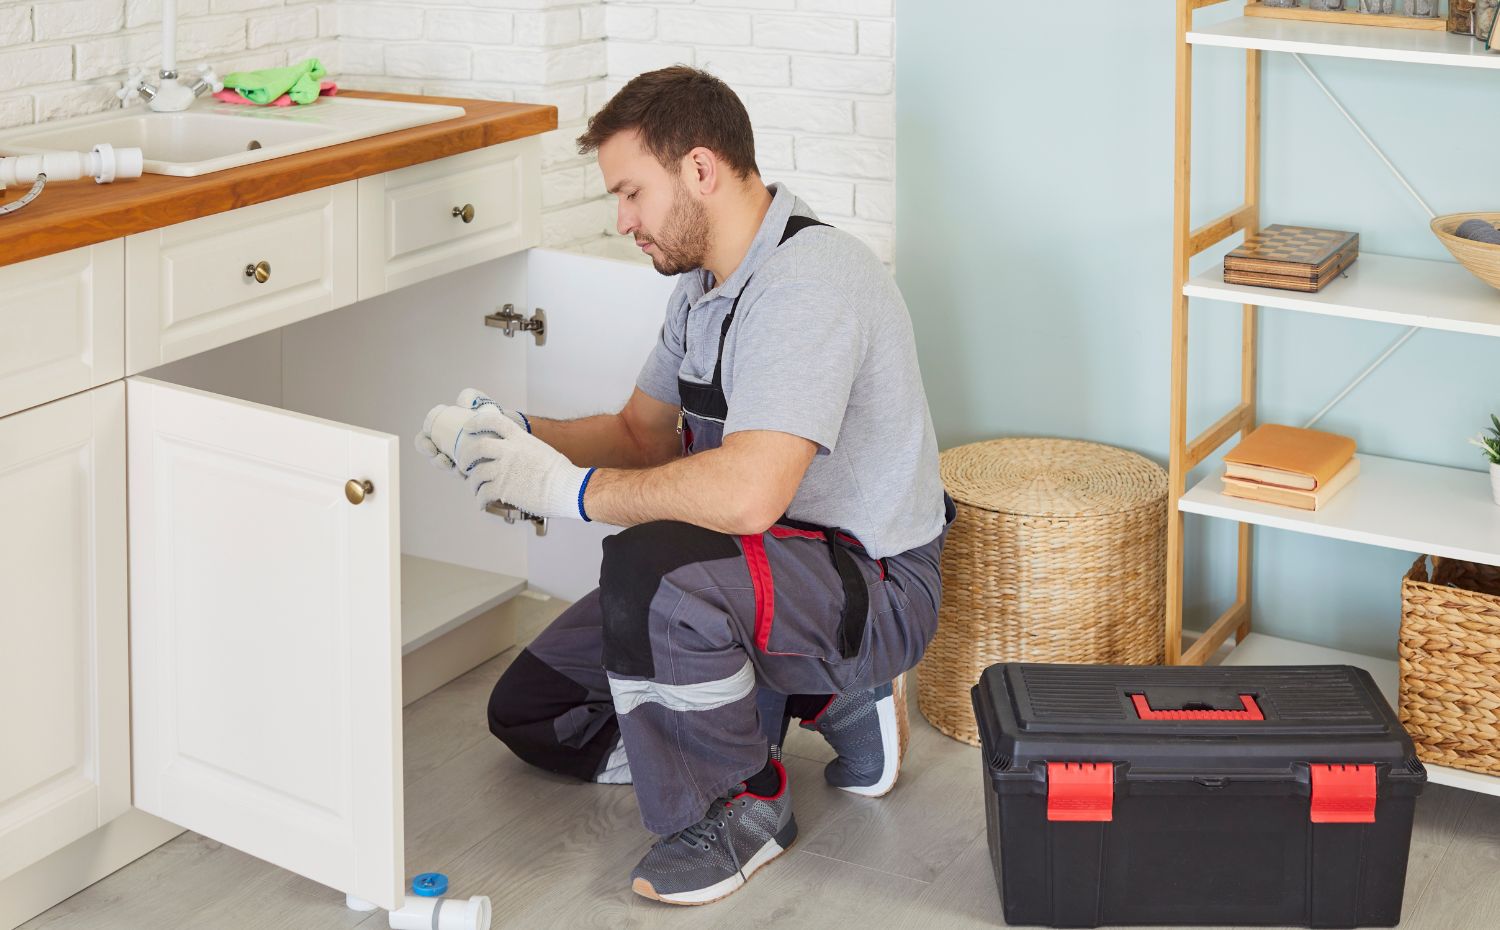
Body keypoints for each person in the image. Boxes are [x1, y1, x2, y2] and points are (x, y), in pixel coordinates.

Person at [414, 66, 952, 906]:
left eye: (631, 192)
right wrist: (514, 436)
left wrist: (563, 491)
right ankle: (772, 704)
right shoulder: (703, 289)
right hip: (758, 563)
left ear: (700, 169)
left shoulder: (812, 281)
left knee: (648, 569)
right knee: (536, 710)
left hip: (868, 584)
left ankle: (744, 800)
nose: (622, 220)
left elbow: (747, 495)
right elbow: (639, 435)